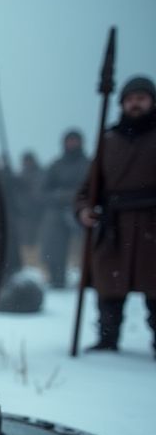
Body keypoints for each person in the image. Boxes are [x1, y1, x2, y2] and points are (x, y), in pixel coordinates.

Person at [75, 75, 156, 355]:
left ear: (151, 102)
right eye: (130, 99)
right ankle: (108, 339)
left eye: (141, 99)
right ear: (122, 103)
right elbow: (89, 188)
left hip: (151, 225)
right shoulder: (109, 141)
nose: (135, 104)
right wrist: (85, 209)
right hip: (115, 227)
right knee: (109, 286)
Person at [39, 130, 91, 289]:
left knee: (90, 242)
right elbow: (44, 191)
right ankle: (57, 276)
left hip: (84, 209)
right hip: (57, 209)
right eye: (69, 141)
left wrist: (78, 197)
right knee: (53, 242)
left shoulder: (89, 164)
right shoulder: (56, 165)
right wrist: (60, 196)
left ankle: (90, 277)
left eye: (75, 141)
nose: (72, 144)